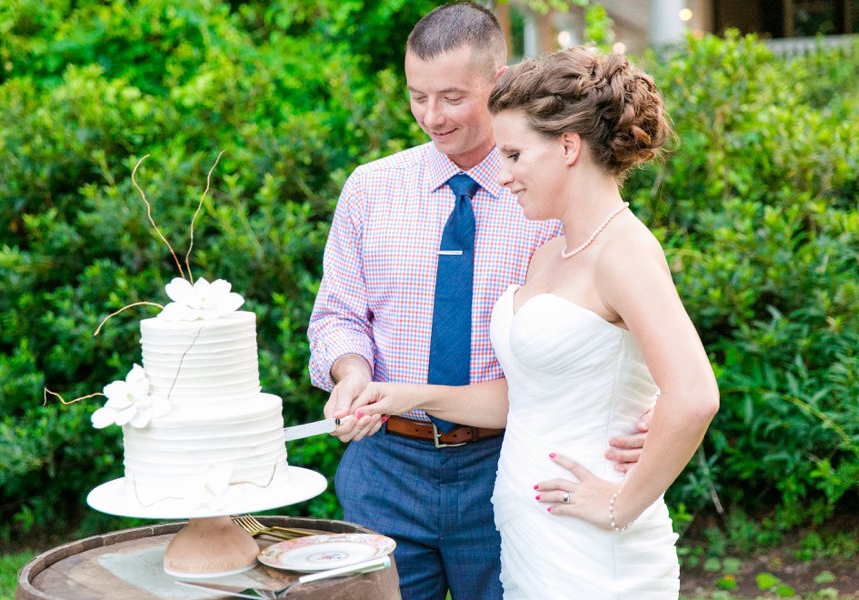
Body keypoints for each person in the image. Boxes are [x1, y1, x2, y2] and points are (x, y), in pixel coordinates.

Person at [307, 4, 651, 599]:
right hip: (385, 465)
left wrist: (646, 408)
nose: (431, 117)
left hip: (511, 462)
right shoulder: (370, 188)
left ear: (498, 81)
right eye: (417, 97)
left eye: (450, 97)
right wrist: (351, 372)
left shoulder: (551, 193)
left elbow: (624, 323)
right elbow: (338, 313)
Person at [354, 46, 720, 598]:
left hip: (592, 548)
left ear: (568, 147)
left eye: (516, 155)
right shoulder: (550, 253)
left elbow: (693, 396)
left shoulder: (625, 252)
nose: (503, 176)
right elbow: (522, 396)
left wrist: (622, 502)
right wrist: (399, 395)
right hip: (529, 539)